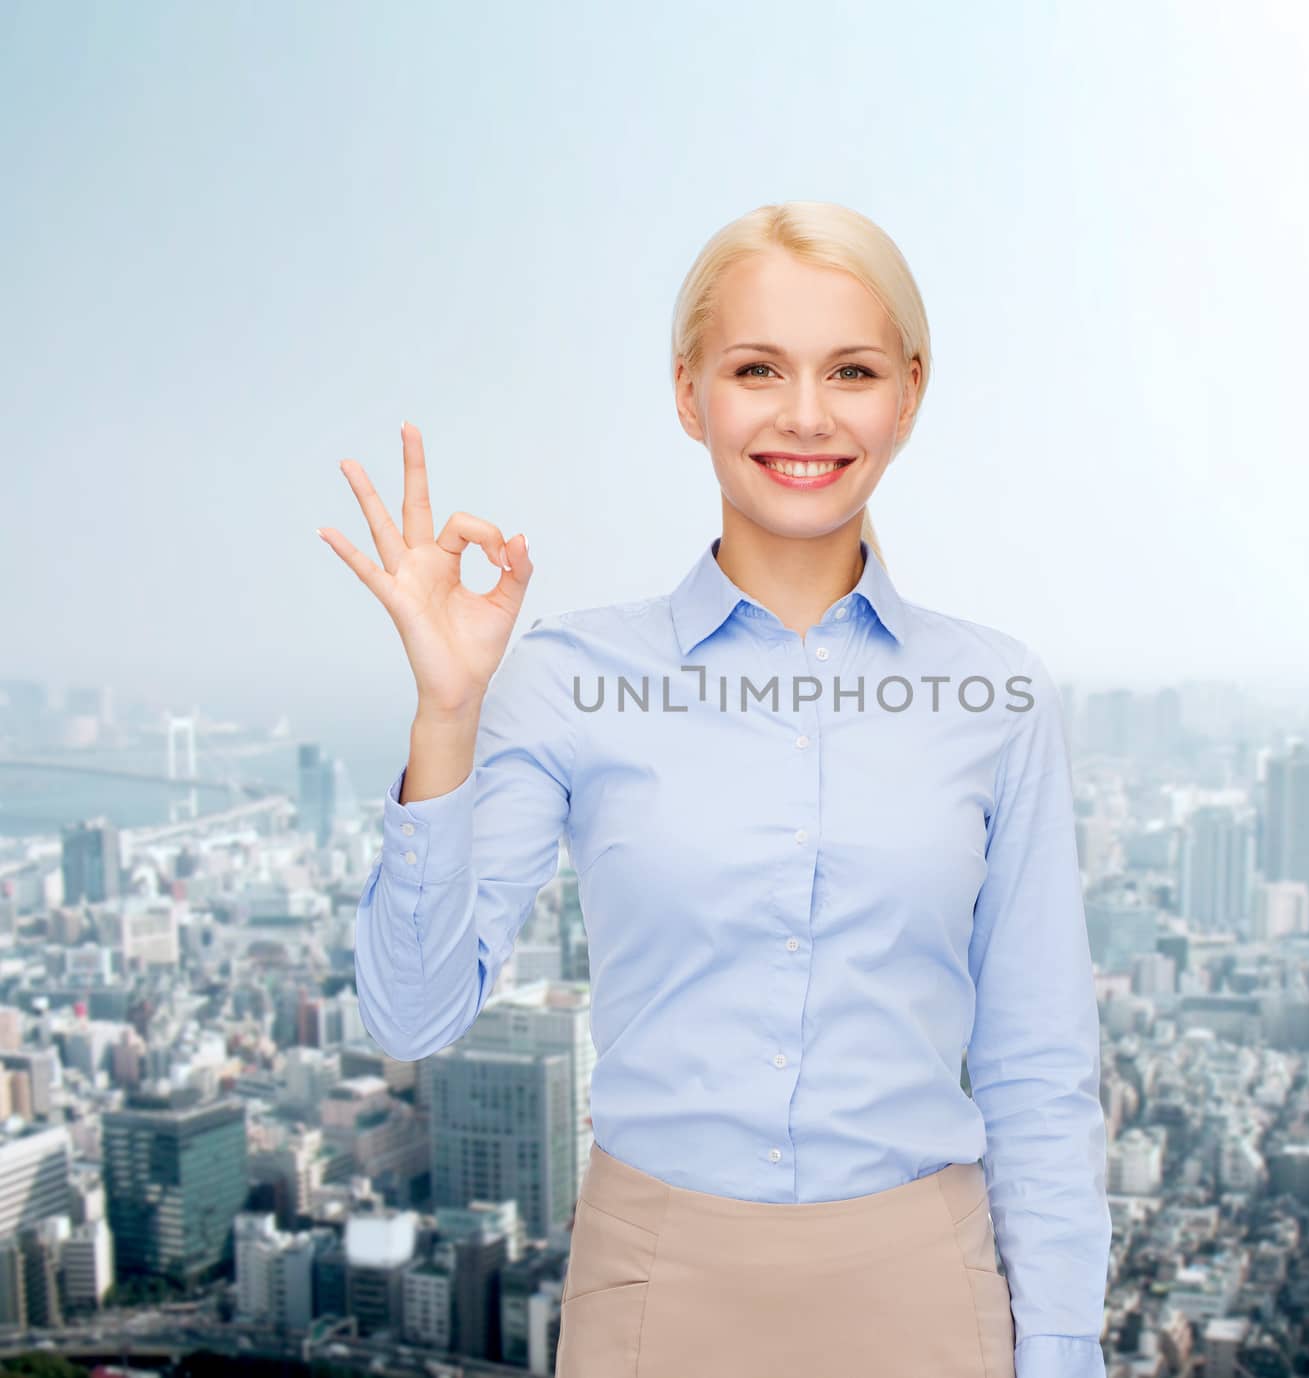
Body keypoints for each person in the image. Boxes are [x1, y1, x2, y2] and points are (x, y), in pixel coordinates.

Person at [319, 201, 1110, 1378]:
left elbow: (1037, 1068)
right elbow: (411, 1014)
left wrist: (1061, 1350)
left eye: (849, 370)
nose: (804, 414)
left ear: (909, 391)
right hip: (655, 1291)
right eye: (756, 369)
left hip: (928, 1294)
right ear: (689, 393)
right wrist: (447, 713)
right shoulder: (570, 678)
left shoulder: (995, 694)